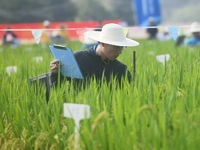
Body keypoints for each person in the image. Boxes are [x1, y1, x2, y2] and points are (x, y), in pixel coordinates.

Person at [50, 23, 139, 89]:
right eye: (116, 47)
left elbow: (128, 96)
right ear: (103, 43)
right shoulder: (77, 58)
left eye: (122, 47)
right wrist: (55, 73)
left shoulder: (121, 69)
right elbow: (56, 88)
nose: (120, 51)